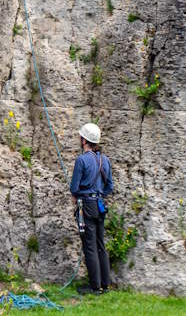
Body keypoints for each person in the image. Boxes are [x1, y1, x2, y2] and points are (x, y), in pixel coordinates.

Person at [69, 123, 113, 295]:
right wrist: (98, 194)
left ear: (84, 140)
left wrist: (80, 195)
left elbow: (74, 188)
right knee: (100, 244)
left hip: (86, 205)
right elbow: (109, 187)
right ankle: (105, 284)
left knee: (90, 245)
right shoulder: (105, 160)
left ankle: (95, 287)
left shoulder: (81, 160)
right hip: (100, 205)